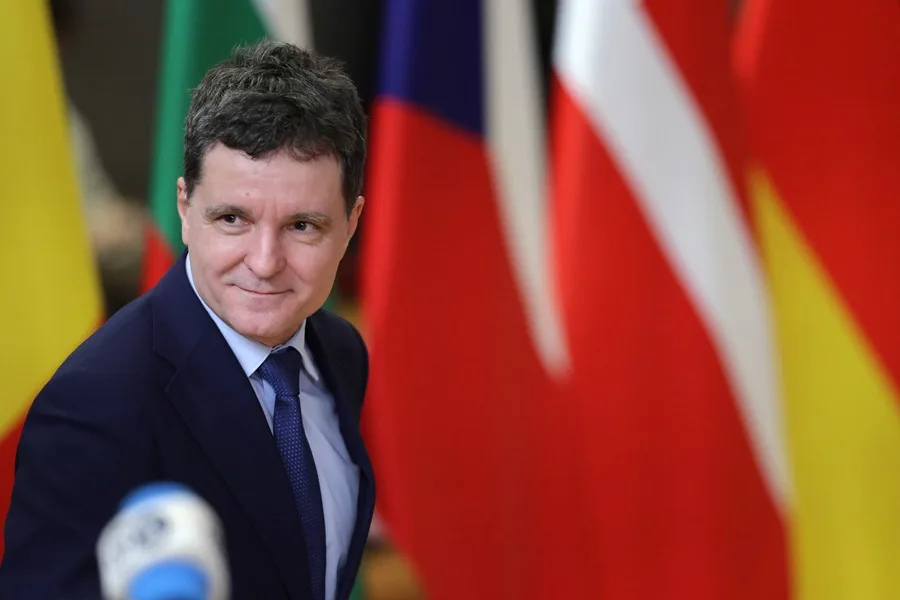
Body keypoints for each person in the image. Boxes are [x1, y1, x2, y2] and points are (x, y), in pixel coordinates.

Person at [0, 40, 374, 600]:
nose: (265, 262)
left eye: (302, 226)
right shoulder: (94, 404)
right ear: (184, 208)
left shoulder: (341, 351)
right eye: (232, 219)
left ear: (351, 223)